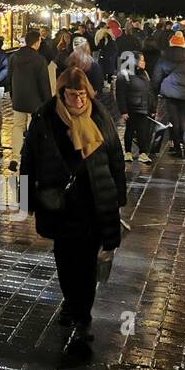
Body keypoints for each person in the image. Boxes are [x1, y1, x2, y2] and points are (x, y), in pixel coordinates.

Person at [19, 67, 126, 346]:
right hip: (61, 203)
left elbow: (115, 154)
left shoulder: (99, 114)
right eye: (71, 94)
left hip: (94, 199)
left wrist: (119, 195)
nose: (77, 101)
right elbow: (29, 158)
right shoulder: (45, 118)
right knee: (66, 259)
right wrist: (25, 198)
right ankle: (71, 300)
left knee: (88, 261)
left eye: (81, 95)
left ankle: (83, 315)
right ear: (61, 93)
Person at [152, 31, 185, 157]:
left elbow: (157, 77)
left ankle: (176, 146)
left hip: (169, 94)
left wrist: (156, 90)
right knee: (184, 120)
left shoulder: (163, 58)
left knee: (173, 119)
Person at [7, 28, 52, 170]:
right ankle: (33, 156)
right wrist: (48, 103)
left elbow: (9, 78)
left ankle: (15, 157)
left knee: (18, 127)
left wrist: (13, 95)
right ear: (37, 42)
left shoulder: (14, 57)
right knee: (34, 129)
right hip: (36, 101)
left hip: (19, 99)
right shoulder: (39, 59)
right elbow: (44, 83)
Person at [115, 50, 155, 161]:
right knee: (130, 130)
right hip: (131, 108)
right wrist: (123, 111)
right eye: (142, 60)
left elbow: (149, 92)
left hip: (144, 107)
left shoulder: (145, 73)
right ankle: (128, 152)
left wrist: (152, 107)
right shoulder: (124, 74)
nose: (144, 62)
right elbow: (120, 94)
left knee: (143, 131)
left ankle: (143, 153)